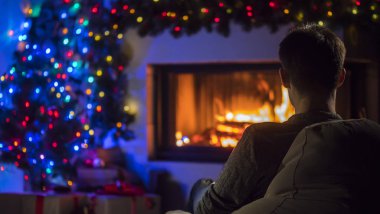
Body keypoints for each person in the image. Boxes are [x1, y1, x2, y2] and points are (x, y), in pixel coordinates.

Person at [191, 23, 349, 214]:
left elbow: (209, 210)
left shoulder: (261, 140)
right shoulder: (362, 140)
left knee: (201, 187)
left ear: (283, 77)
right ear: (341, 77)